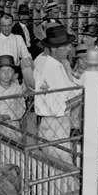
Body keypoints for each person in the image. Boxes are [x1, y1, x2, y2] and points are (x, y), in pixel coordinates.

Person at [32, 26, 81, 163]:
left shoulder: (58, 66)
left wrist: (95, 89)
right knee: (61, 169)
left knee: (58, 168)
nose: (69, 49)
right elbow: (57, 108)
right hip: (54, 126)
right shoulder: (49, 70)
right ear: (53, 48)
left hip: (58, 125)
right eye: (65, 46)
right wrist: (84, 97)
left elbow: (71, 88)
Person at [0, 13, 31, 82]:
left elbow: (26, 57)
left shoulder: (18, 39)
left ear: (13, 24)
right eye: (4, 26)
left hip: (14, 77)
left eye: (9, 25)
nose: (7, 29)